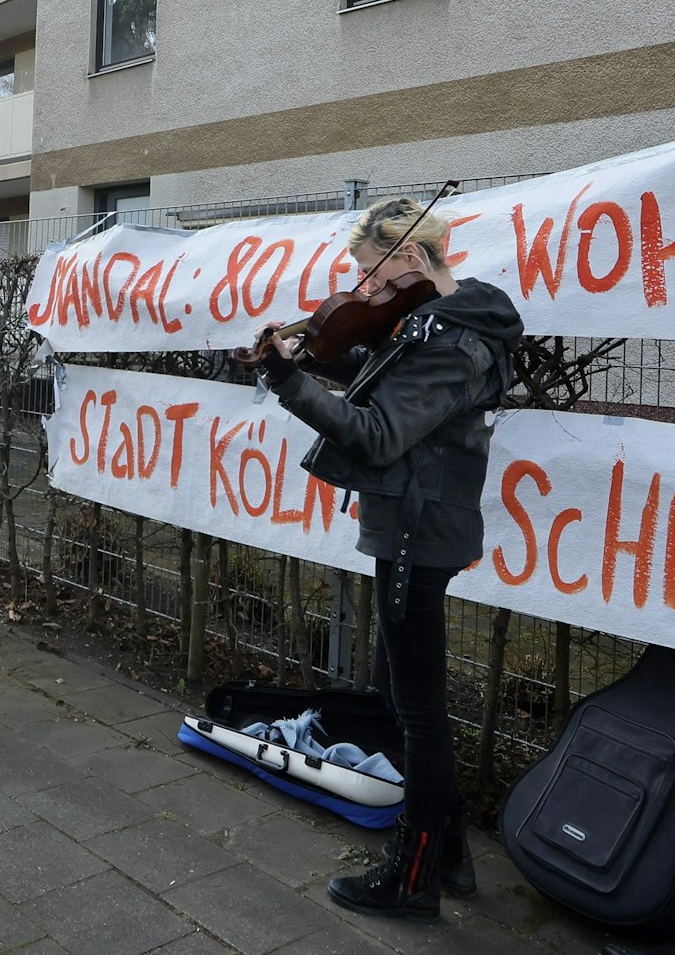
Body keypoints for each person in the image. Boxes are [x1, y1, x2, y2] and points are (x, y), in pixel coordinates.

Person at [237, 195, 524, 922]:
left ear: (408, 259)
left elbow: (379, 432)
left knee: (419, 714)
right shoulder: (425, 327)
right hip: (410, 523)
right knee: (407, 702)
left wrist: (289, 381)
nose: (364, 290)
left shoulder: (457, 340)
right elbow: (380, 374)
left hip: (419, 534)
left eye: (370, 273)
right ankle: (450, 854)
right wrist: (311, 356)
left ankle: (413, 874)